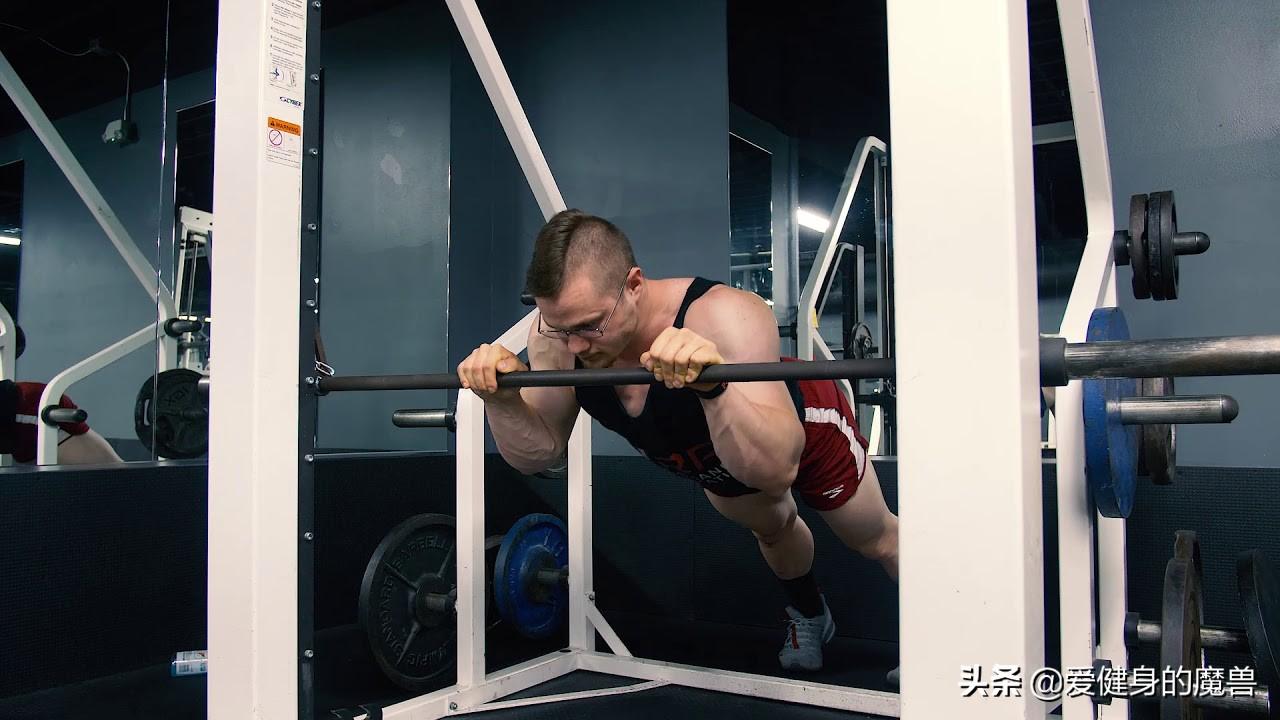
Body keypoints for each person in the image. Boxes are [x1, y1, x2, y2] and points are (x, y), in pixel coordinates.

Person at [458, 209, 900, 674]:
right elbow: (540, 452)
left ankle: (937, 642)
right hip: (709, 456)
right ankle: (811, 614)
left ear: (634, 284)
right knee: (774, 529)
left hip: (798, 429)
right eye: (561, 329)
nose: (576, 347)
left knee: (873, 537)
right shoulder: (556, 340)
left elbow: (776, 471)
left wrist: (713, 386)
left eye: (589, 326)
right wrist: (501, 400)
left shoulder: (724, 315)